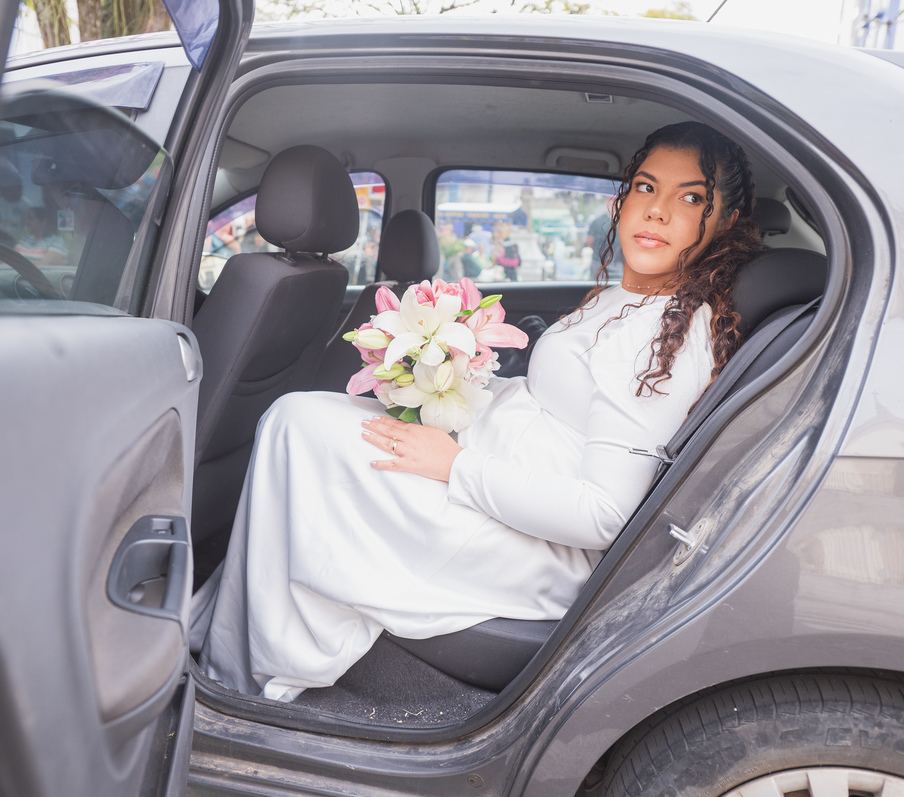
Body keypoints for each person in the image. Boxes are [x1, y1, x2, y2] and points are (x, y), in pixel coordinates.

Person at [202, 121, 765, 702]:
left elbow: (602, 515)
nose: (658, 211)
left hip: (532, 545)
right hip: (494, 475)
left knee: (299, 427)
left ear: (725, 225)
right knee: (299, 421)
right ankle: (237, 645)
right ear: (623, 199)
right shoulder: (627, 300)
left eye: (691, 197)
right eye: (646, 188)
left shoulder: (666, 338)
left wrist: (453, 465)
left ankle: (243, 678)